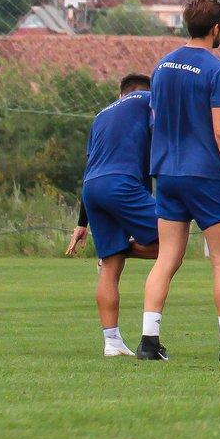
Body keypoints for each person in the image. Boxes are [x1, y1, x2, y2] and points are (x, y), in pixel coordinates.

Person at [137, 0, 220, 363]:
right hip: (204, 174)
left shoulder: (162, 66)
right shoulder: (218, 71)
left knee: (167, 257)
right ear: (216, 27)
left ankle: (148, 341)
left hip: (167, 172)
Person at [66, 73, 159, 358]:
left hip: (92, 188)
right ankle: (123, 251)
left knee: (110, 265)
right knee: (173, 240)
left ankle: (112, 342)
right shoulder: (149, 101)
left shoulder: (100, 116)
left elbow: (90, 166)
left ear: (120, 94)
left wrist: (82, 223)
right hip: (122, 183)